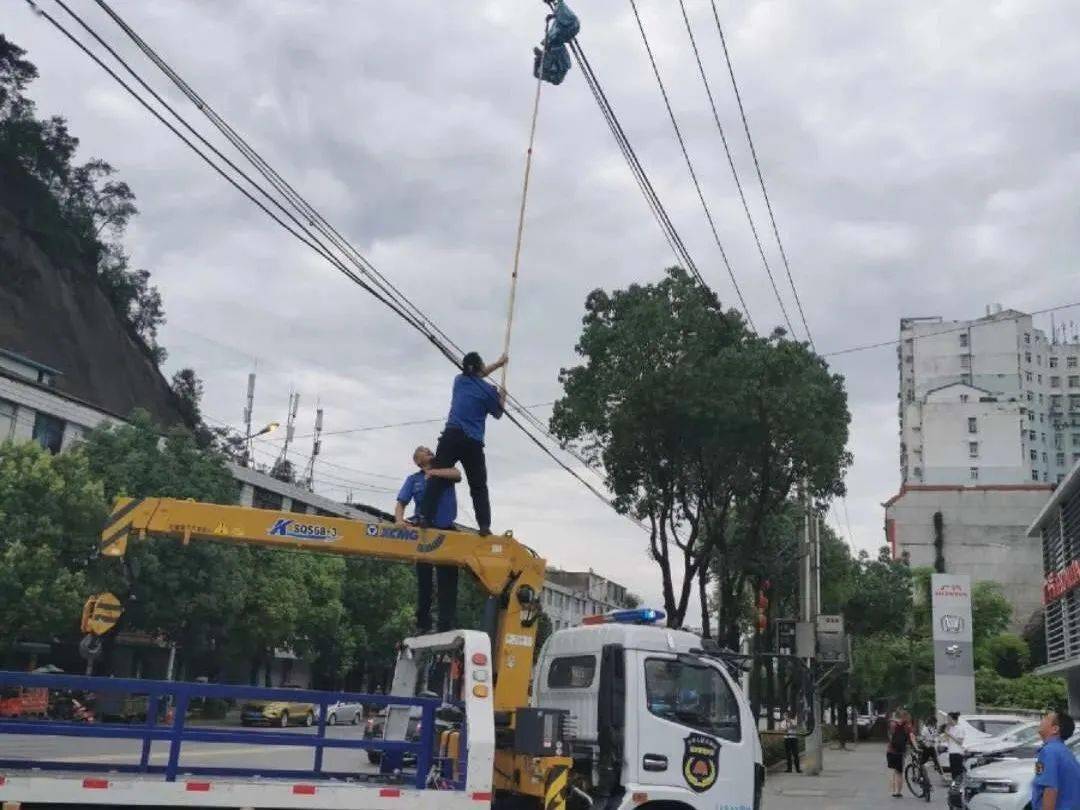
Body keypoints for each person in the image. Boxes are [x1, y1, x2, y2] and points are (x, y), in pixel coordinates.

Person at [419, 351, 508, 537]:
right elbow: (498, 414)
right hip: (473, 443)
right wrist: (502, 397)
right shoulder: (488, 392)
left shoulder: (459, 381)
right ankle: (484, 526)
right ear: (480, 367)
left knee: (438, 477)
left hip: (451, 436)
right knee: (478, 486)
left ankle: (425, 517)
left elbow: (478, 375)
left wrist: (498, 364)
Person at [395, 445, 462, 633]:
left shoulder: (444, 471)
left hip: (446, 529)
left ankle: (445, 623)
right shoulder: (413, 480)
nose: (429, 450)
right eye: (423, 450)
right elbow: (401, 503)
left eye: (428, 449)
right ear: (417, 461)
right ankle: (423, 623)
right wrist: (399, 521)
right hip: (424, 530)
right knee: (424, 580)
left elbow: (457, 474)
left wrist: (435, 473)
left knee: (447, 580)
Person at [1032, 711, 1080, 810]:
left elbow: (1050, 789)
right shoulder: (1063, 751)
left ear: (1055, 729)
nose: (1042, 720)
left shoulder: (1049, 751)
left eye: (1046, 718)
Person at [886, 709, 916, 798]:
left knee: (894, 771)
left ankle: (894, 790)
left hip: (891, 750)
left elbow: (890, 736)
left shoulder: (892, 724)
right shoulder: (908, 726)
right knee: (899, 772)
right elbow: (912, 737)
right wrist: (916, 747)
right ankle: (898, 791)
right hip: (900, 751)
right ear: (906, 717)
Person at [942, 712, 966, 781]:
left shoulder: (960, 728)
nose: (947, 720)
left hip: (957, 753)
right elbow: (945, 739)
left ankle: (958, 789)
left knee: (958, 773)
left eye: (948, 718)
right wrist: (946, 732)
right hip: (951, 753)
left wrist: (950, 735)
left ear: (953, 719)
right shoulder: (951, 728)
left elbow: (960, 742)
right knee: (953, 773)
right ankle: (955, 788)